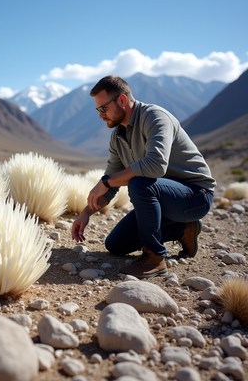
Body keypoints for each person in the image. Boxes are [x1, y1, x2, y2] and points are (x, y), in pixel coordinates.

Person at [71, 75, 216, 279]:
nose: (101, 115)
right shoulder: (117, 136)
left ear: (122, 100)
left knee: (140, 183)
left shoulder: (155, 117)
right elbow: (111, 181)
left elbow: (155, 165)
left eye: (103, 108)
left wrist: (107, 182)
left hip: (195, 196)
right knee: (116, 244)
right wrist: (86, 212)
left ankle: (155, 258)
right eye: (98, 110)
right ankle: (183, 229)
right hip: (162, 197)